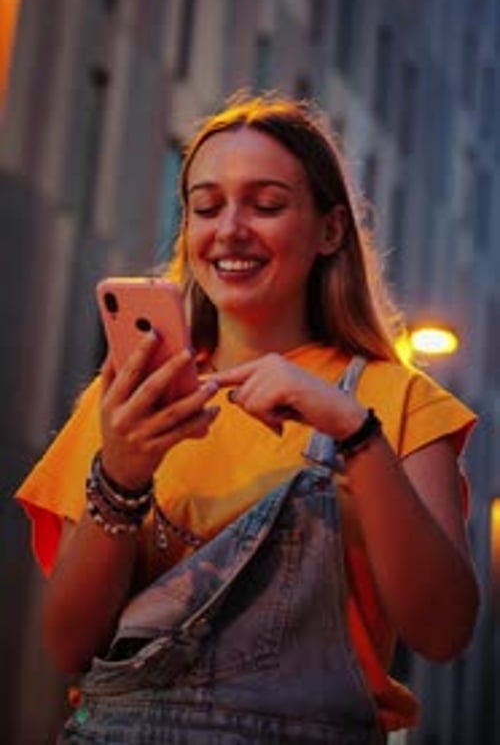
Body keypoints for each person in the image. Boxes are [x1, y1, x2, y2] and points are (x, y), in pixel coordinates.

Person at [16, 93, 479, 744]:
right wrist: (120, 477)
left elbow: (444, 630)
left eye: (265, 205)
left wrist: (356, 433)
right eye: (205, 207)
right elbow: (68, 646)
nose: (229, 228)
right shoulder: (124, 400)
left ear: (330, 231)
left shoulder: (397, 399)